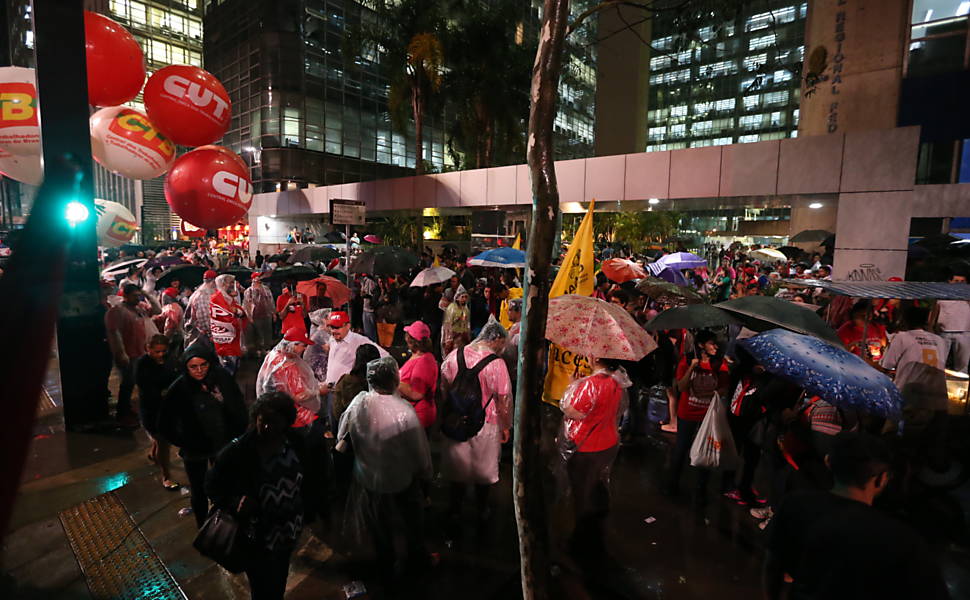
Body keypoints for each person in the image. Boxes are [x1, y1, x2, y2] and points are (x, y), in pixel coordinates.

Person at [764, 432, 950, 600]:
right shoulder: (902, 539)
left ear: (829, 462)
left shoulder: (796, 504)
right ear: (881, 478)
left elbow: (773, 568)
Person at [206, 392, 320, 600]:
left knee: (279, 579)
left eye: (274, 422)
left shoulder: (295, 443)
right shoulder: (237, 452)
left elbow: (309, 479)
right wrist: (234, 502)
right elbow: (212, 486)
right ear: (255, 417)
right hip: (256, 534)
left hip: (288, 528)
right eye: (262, 420)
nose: (266, 427)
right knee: (261, 585)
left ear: (286, 422)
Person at [336, 356, 435, 581]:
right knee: (410, 524)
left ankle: (386, 565)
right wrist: (425, 475)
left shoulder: (359, 404)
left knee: (380, 528)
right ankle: (413, 563)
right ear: (393, 379)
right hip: (400, 481)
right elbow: (420, 453)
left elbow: (342, 434)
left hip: (369, 480)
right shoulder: (404, 412)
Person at [158, 345, 247, 527]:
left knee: (226, 484)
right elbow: (165, 423)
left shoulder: (221, 378)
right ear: (186, 367)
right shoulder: (180, 388)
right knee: (199, 490)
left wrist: (238, 433)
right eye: (193, 367)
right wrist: (184, 441)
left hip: (223, 444)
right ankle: (204, 527)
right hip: (196, 450)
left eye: (203, 365)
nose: (199, 371)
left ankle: (226, 524)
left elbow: (237, 405)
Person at [439, 319, 512, 530]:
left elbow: (444, 388)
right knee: (483, 470)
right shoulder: (497, 364)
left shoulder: (454, 356)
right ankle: (482, 509)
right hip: (486, 423)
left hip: (455, 420)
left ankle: (455, 509)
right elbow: (504, 398)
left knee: (458, 468)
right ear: (496, 339)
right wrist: (505, 426)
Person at [559, 357, 631, 565]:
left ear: (597, 359)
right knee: (595, 488)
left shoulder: (590, 384)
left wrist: (573, 386)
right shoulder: (617, 382)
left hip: (586, 447)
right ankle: (594, 536)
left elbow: (572, 410)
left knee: (582, 497)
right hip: (607, 443)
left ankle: (580, 545)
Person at [663, 330, 731, 503]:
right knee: (681, 448)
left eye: (715, 343)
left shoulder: (719, 364)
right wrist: (692, 367)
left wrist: (714, 392)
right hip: (687, 413)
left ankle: (701, 487)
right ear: (701, 345)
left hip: (708, 416)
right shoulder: (686, 361)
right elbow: (682, 387)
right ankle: (672, 484)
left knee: (706, 451)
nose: (715, 346)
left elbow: (724, 387)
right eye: (711, 343)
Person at [881, 305, 950, 468]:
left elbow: (887, 366)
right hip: (939, 398)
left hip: (910, 397)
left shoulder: (902, 337)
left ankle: (894, 474)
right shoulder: (940, 341)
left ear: (904, 320)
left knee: (889, 437)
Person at [105, 283, 160, 428]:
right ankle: (122, 413)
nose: (138, 298)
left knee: (138, 382)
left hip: (141, 352)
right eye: (135, 296)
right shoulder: (117, 311)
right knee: (127, 384)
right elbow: (114, 333)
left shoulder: (139, 308)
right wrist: (121, 353)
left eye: (138, 295)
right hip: (129, 354)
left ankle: (130, 410)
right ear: (125, 296)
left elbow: (157, 310)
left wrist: (147, 295)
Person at [256, 327, 327, 429]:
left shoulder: (273, 355)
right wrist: (319, 391)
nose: (305, 348)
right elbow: (299, 396)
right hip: (295, 416)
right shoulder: (288, 366)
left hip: (275, 411)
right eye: (304, 345)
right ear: (293, 345)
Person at [134, 334, 180, 490]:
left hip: (168, 408)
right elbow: (147, 388)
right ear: (148, 349)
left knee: (161, 441)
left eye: (163, 351)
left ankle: (154, 455)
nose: (161, 355)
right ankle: (166, 476)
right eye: (157, 351)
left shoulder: (169, 360)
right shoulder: (142, 364)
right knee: (162, 442)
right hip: (151, 410)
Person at [323, 310, 388, 389]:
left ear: (348, 326)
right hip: (329, 389)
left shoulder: (359, 340)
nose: (334, 331)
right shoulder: (332, 338)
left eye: (337, 327)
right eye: (332, 327)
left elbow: (386, 357)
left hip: (347, 392)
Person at [398, 321, 438, 430]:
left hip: (419, 418)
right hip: (411, 415)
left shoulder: (425, 362)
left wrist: (395, 382)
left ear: (412, 341)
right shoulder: (417, 356)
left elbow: (417, 394)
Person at [332, 344, 382, 427]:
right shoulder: (383, 381)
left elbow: (337, 412)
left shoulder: (346, 381)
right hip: (379, 430)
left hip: (350, 432)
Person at [932, 270, 970, 371]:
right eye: (956, 281)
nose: (959, 284)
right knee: (939, 362)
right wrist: (931, 327)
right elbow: (934, 312)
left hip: (964, 333)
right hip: (943, 332)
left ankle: (961, 385)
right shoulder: (941, 296)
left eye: (962, 281)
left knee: (962, 364)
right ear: (950, 281)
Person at [210, 274, 247, 376]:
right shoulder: (216, 298)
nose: (232, 285)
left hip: (234, 339)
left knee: (234, 366)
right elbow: (227, 316)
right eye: (230, 283)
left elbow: (239, 312)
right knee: (228, 370)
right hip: (225, 341)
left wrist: (238, 311)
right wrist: (236, 311)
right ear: (223, 284)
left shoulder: (229, 298)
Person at [184, 269, 218, 350]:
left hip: (202, 333)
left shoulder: (202, 291)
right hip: (202, 335)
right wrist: (211, 333)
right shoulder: (203, 295)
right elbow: (205, 318)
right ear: (213, 281)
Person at [243, 272, 275, 357]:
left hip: (266, 315)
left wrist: (273, 313)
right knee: (257, 333)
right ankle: (258, 349)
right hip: (255, 316)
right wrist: (249, 317)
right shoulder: (249, 291)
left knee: (267, 332)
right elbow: (247, 305)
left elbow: (271, 301)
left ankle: (266, 348)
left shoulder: (266, 289)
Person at [441, 285, 471, 355]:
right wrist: (448, 339)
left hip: (463, 336)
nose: (464, 299)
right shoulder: (452, 308)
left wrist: (467, 335)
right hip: (454, 336)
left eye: (465, 297)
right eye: (462, 297)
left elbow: (467, 324)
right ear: (457, 298)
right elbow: (447, 325)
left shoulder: (466, 309)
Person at [360, 273, 379, 343]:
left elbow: (372, 296)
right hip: (366, 309)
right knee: (368, 332)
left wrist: (364, 295)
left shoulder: (370, 281)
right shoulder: (365, 280)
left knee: (370, 333)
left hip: (370, 310)